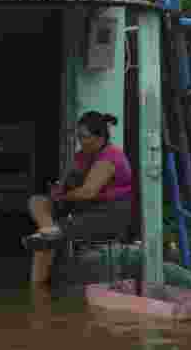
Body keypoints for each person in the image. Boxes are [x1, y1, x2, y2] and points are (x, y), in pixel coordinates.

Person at [23, 111, 133, 285]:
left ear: (99, 138)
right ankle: (48, 229)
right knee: (37, 201)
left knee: (44, 241)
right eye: (78, 136)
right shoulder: (82, 156)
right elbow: (68, 183)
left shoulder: (110, 157)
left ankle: (37, 290)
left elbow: (87, 192)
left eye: (84, 137)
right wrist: (59, 190)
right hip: (82, 208)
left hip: (109, 214)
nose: (80, 141)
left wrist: (63, 196)